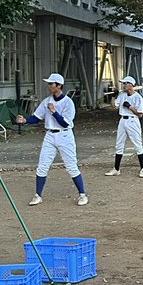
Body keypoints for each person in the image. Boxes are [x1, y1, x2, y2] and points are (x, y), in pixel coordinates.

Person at [15, 73, 88, 206]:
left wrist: (54, 112)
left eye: (51, 84)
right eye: (49, 83)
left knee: (71, 166)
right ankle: (38, 195)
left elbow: (65, 123)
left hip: (65, 135)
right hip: (50, 135)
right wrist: (25, 120)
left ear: (59, 86)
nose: (49, 86)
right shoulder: (47, 101)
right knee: (42, 166)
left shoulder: (68, 102)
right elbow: (37, 117)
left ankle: (82, 194)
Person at [106, 75, 143, 178]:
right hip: (122, 120)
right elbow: (114, 106)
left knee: (137, 144)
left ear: (130, 85)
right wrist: (114, 96)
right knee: (119, 144)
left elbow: (140, 114)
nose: (124, 85)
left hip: (133, 120)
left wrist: (130, 107)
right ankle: (116, 169)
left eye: (125, 84)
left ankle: (142, 169)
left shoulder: (138, 97)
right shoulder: (122, 95)